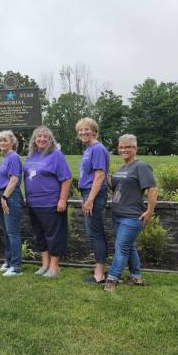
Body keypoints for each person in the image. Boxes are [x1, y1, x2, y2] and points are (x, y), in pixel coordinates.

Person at [104, 134, 158, 292]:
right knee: (129, 247)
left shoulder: (141, 166)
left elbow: (153, 189)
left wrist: (149, 211)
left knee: (121, 248)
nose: (124, 150)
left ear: (135, 148)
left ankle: (112, 279)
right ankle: (136, 276)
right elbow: (116, 188)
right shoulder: (122, 168)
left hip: (132, 216)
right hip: (118, 215)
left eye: (128, 147)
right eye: (121, 147)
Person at [24, 126, 72, 278]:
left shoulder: (56, 155)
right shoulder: (31, 156)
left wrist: (62, 200)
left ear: (50, 139)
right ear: (34, 140)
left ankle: (54, 266)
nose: (42, 139)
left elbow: (66, 178)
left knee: (54, 235)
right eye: (39, 136)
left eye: (45, 136)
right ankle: (45, 264)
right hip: (33, 203)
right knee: (39, 235)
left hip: (51, 203)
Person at [76, 117, 110, 283]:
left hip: (93, 194)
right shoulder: (89, 149)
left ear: (94, 131)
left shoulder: (97, 149)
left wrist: (89, 199)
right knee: (95, 232)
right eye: (80, 130)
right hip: (88, 193)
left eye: (86, 129)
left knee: (95, 233)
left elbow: (99, 176)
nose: (83, 132)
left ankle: (99, 274)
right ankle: (100, 269)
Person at [0, 130, 24, 277]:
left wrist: (5, 197)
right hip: (3, 195)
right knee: (6, 232)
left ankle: (16, 267)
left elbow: (14, 180)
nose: (2, 143)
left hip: (10, 196)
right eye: (0, 140)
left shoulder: (13, 157)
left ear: (12, 142)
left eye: (5, 140)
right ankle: (8, 262)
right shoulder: (5, 158)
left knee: (12, 232)